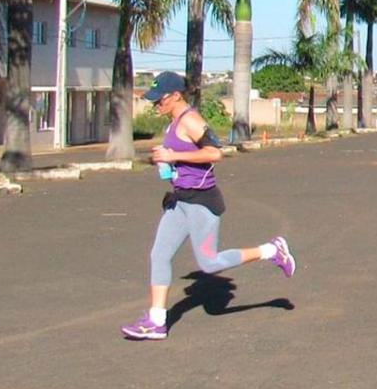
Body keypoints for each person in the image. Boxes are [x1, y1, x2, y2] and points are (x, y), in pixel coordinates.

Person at [121, 72, 295, 341]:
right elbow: (182, 159)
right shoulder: (173, 122)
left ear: (176, 95)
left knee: (209, 263)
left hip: (202, 203)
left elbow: (216, 153)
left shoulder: (190, 119)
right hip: (179, 201)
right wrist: (163, 160)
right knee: (159, 255)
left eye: (160, 100)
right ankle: (156, 321)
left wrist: (173, 155)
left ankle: (272, 250)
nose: (156, 105)